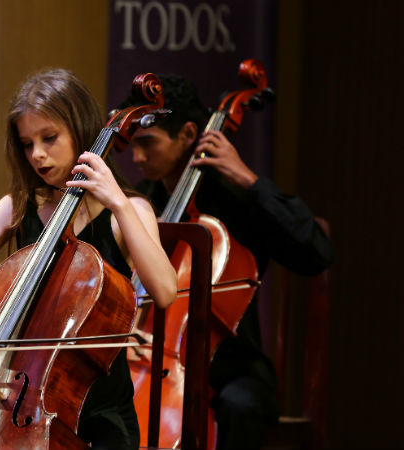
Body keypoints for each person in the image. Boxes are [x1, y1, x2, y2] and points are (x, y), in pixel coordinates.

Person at [0, 68, 177, 450]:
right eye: (27, 144)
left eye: (49, 138)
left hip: (94, 417)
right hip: (11, 407)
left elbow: (166, 290)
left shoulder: (129, 210)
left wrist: (117, 202)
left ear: (83, 131)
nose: (37, 154)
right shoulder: (19, 208)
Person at [122, 74, 334, 449]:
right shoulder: (141, 206)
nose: (137, 158)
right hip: (150, 358)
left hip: (231, 368)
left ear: (188, 134)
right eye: (134, 146)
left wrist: (249, 179)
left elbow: (315, 252)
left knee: (240, 407)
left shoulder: (236, 200)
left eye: (148, 144)